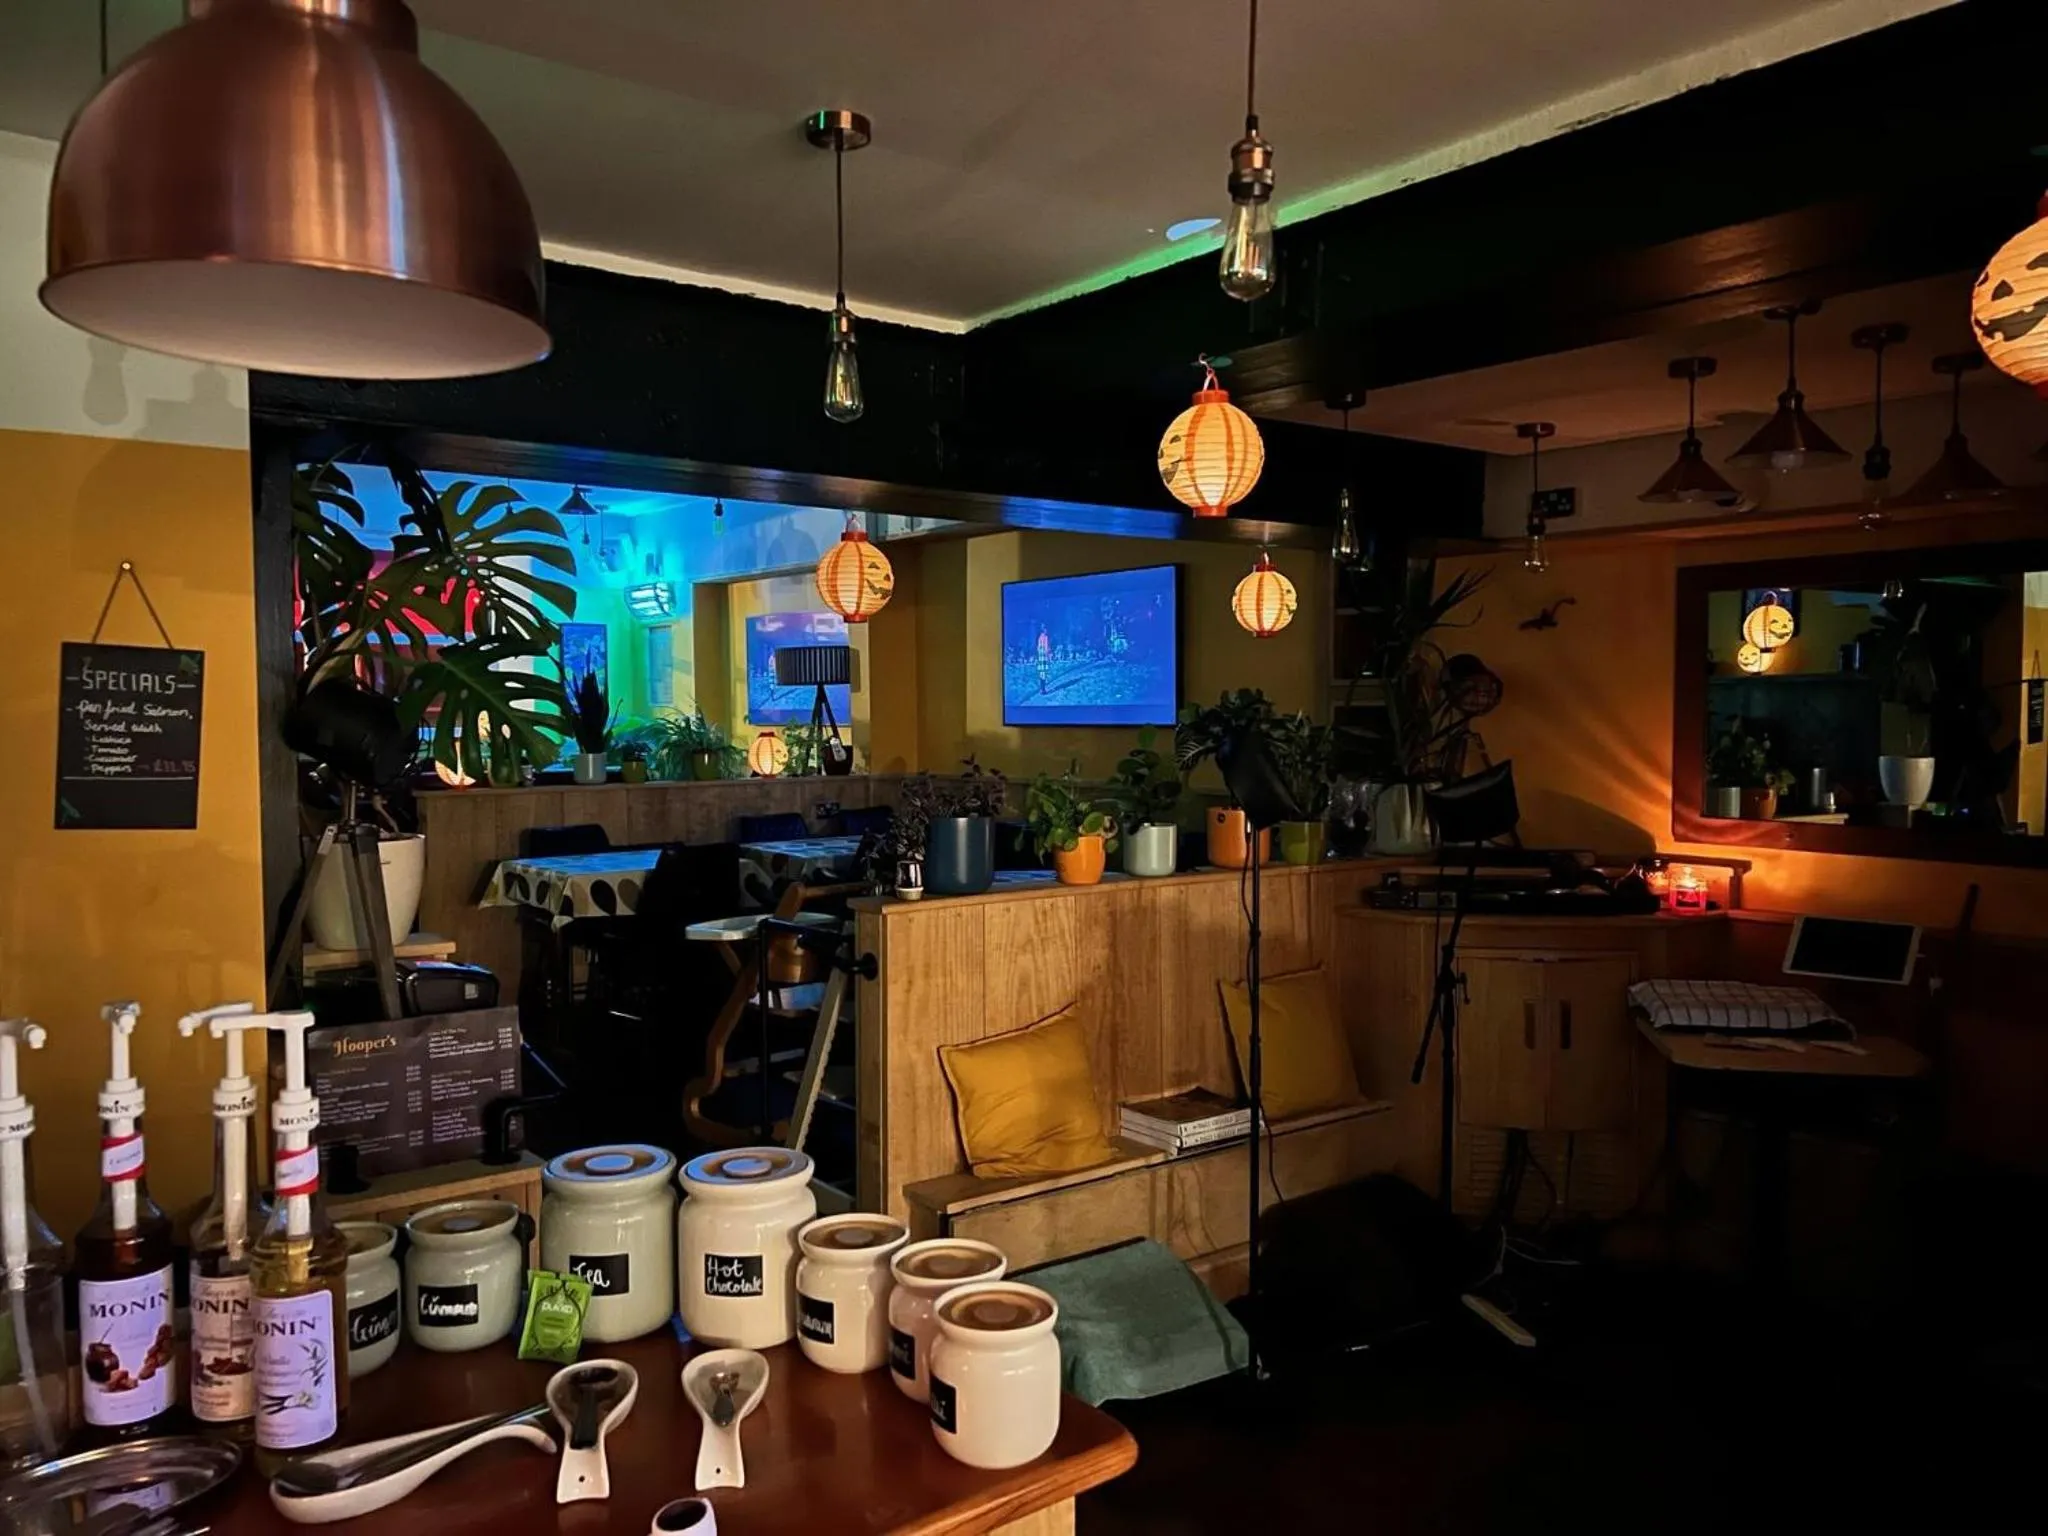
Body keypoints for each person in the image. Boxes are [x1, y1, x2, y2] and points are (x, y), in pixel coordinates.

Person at [1035, 625, 1052, 694]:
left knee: (1041, 673)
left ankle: (1042, 688)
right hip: (1044, 657)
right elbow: (1046, 648)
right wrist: (1049, 656)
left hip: (1040, 657)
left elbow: (1038, 648)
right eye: (1046, 629)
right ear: (1044, 630)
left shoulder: (1039, 637)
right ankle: (1043, 689)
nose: (1047, 631)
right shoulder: (1045, 637)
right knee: (1044, 672)